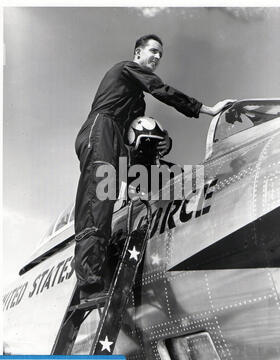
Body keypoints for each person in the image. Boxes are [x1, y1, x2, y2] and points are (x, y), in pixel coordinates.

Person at [74, 34, 234, 301]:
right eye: (153, 51)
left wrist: (166, 143)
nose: (157, 57)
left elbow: (140, 134)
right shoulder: (126, 68)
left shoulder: (137, 101)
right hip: (101, 131)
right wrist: (207, 110)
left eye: (161, 54)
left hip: (119, 142)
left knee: (156, 175)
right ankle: (90, 279)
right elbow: (160, 89)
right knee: (100, 197)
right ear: (138, 53)